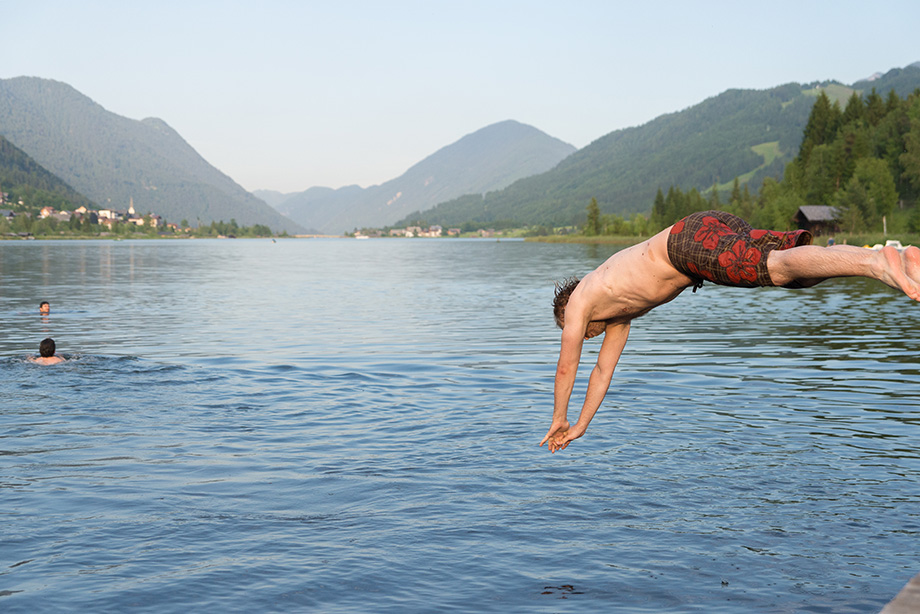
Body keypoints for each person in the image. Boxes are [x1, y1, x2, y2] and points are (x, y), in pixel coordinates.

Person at [541, 210, 920, 453]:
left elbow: (566, 366)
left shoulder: (581, 300)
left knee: (776, 268)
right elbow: (602, 372)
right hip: (702, 230)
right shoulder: (620, 314)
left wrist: (558, 417)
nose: (584, 336)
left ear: (569, 309)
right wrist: (580, 426)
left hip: (686, 244)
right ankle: (901, 263)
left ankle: (875, 261)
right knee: (794, 276)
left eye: (578, 330)